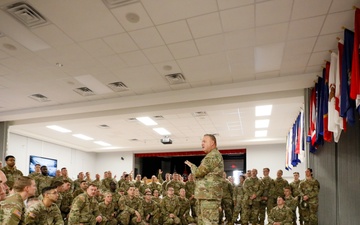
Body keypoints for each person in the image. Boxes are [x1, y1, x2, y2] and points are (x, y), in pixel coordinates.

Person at [185, 134, 224, 225]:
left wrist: (192, 166)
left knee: (208, 222)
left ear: (212, 143)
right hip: (205, 196)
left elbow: (198, 173)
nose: (202, 143)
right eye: (202, 141)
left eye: (204, 141)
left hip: (209, 197)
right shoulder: (212, 155)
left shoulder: (213, 156)